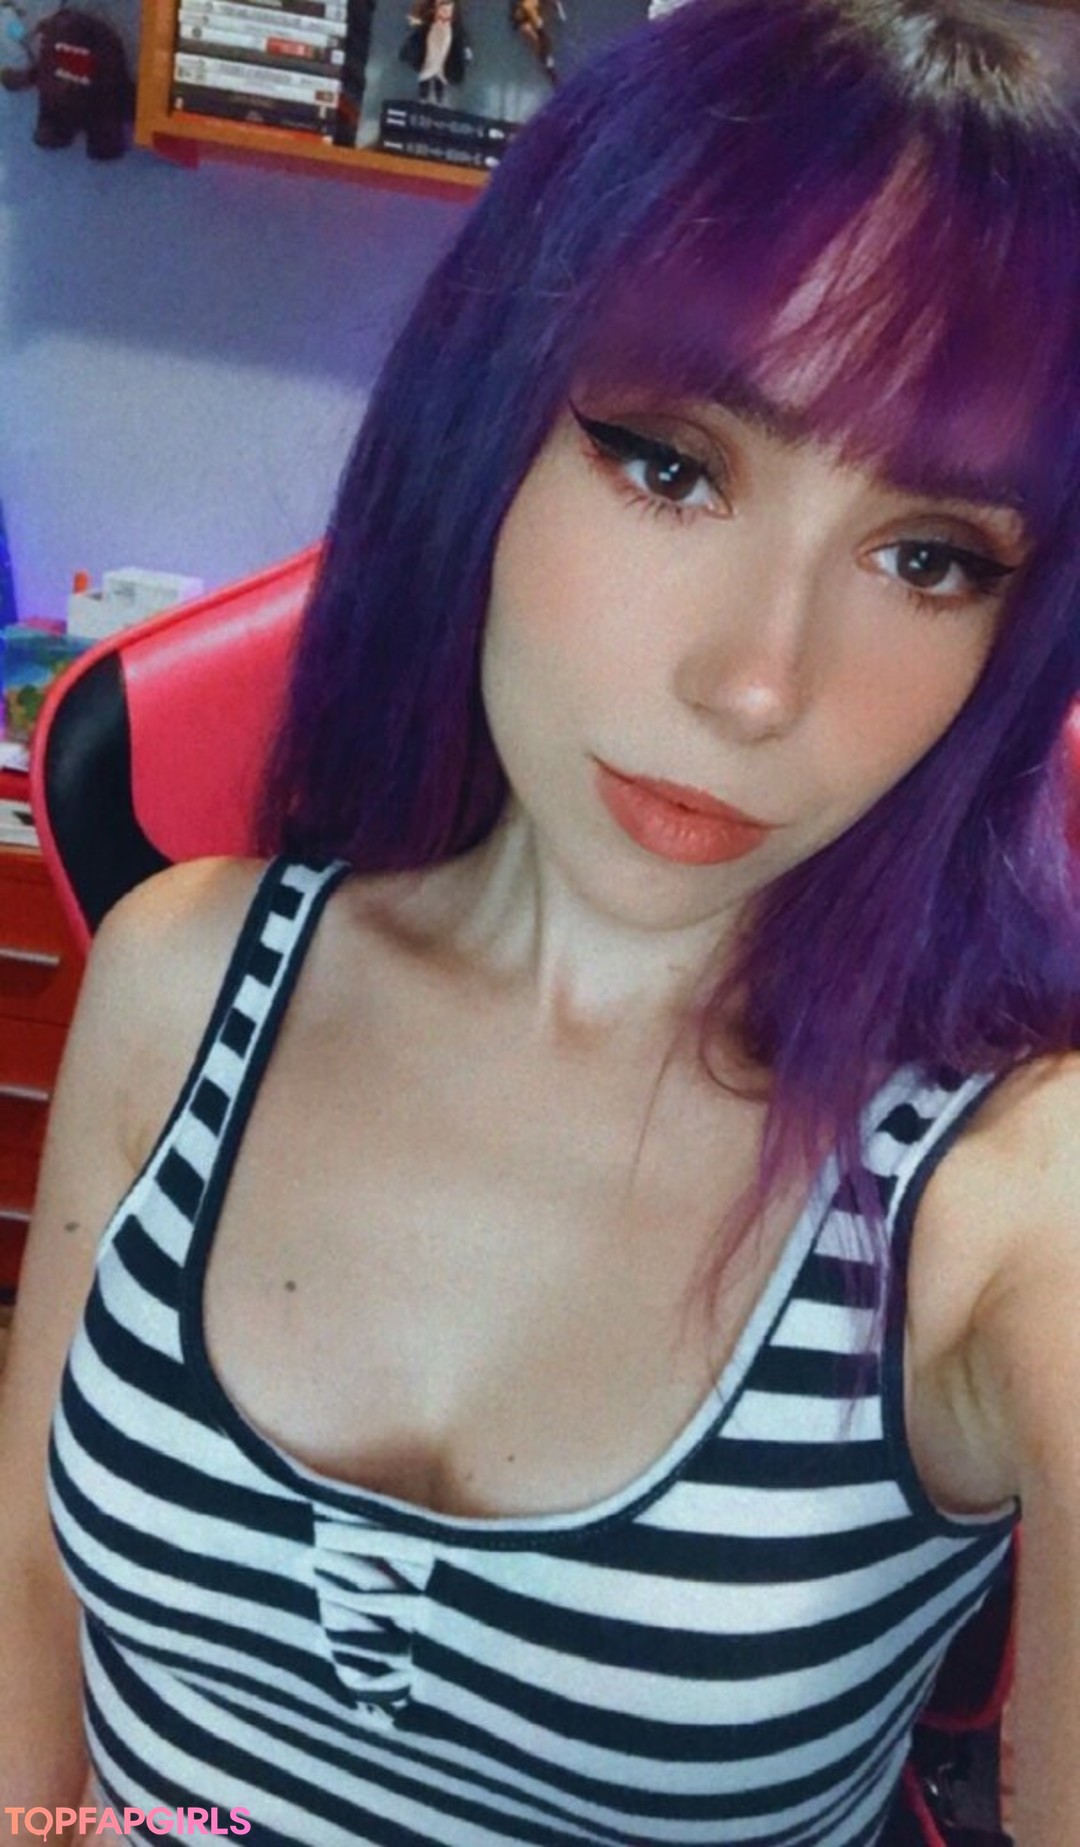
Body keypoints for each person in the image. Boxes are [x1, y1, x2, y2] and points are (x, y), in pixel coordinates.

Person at [3, 0, 1080, 1840]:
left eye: (929, 558)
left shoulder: (1007, 1209)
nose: (758, 683)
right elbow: (34, 1591)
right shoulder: (185, 975)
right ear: (487, 431)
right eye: (671, 464)